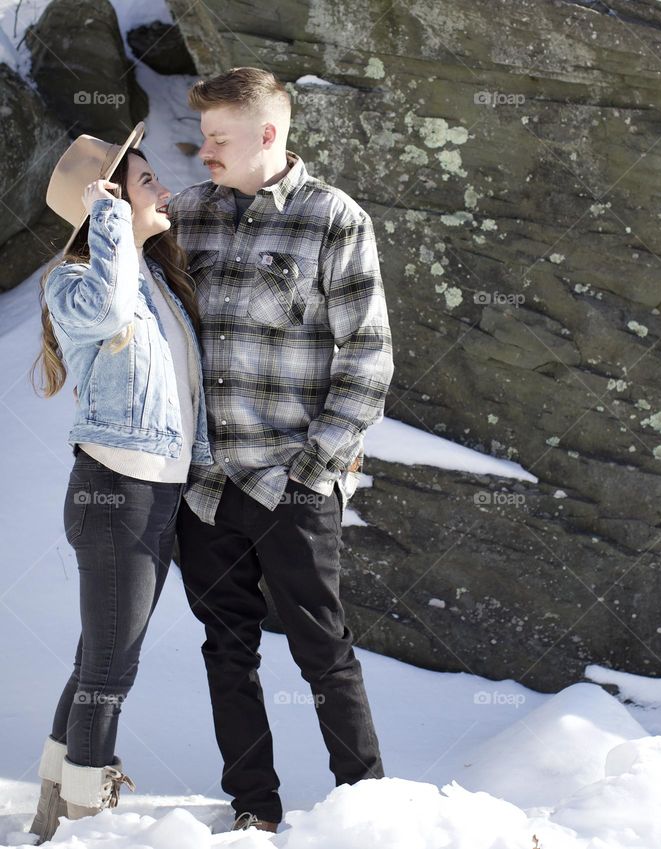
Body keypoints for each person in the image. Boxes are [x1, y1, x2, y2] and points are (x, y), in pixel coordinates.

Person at [169, 67, 394, 832]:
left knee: (323, 652)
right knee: (225, 651)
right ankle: (254, 812)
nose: (204, 152)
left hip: (291, 485)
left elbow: (368, 358)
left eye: (218, 138)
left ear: (268, 134)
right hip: (205, 486)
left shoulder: (333, 219)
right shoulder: (187, 216)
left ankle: (364, 812)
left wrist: (313, 469)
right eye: (202, 138)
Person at [27, 124, 212, 843]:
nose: (161, 188)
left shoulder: (157, 279)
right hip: (115, 494)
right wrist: (107, 218)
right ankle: (85, 821)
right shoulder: (75, 282)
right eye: (143, 182)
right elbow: (108, 309)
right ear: (104, 201)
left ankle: (52, 817)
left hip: (158, 497)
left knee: (94, 661)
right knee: (110, 669)